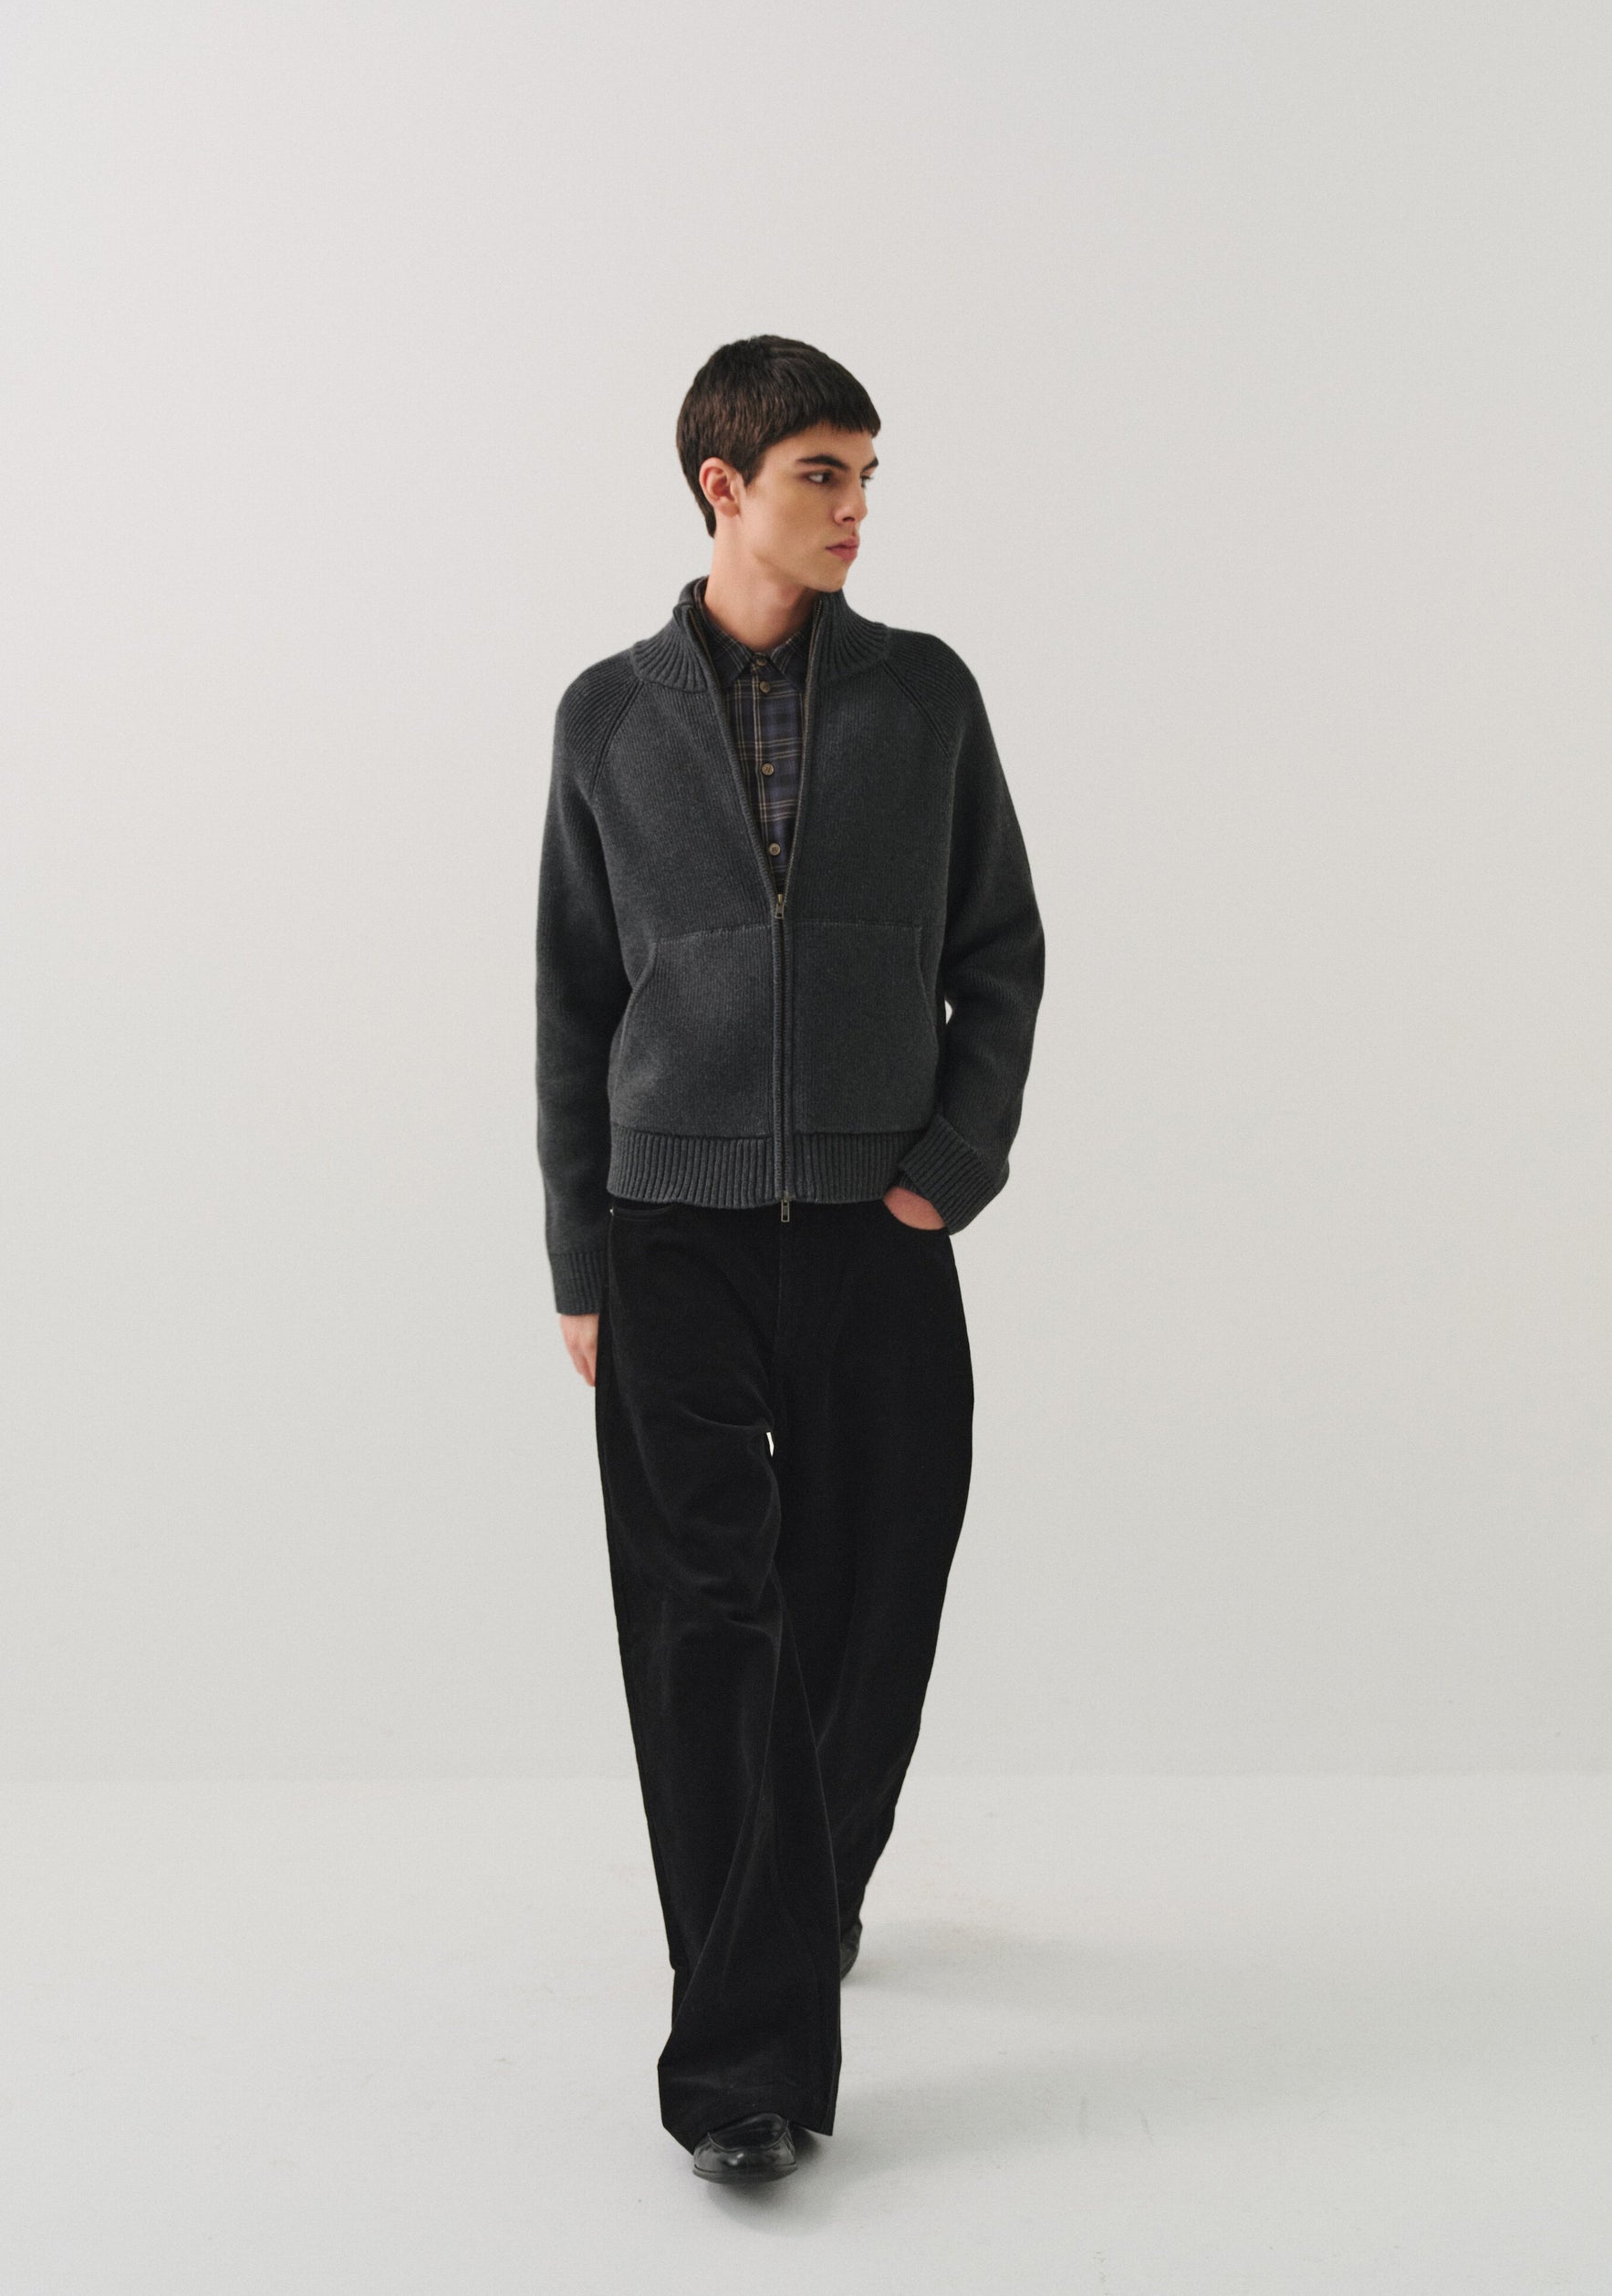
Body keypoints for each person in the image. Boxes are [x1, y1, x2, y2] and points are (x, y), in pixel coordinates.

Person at [534, 334, 1044, 2183]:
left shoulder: (923, 697)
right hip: (667, 1235)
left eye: (865, 473)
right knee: (706, 1620)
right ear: (722, 485)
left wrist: (942, 1174)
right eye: (822, 471)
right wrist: (580, 1253)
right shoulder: (607, 717)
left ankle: (804, 1884)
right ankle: (742, 2058)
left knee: (872, 1591)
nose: (854, 507)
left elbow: (999, 950)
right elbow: (572, 998)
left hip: (869, 1229)